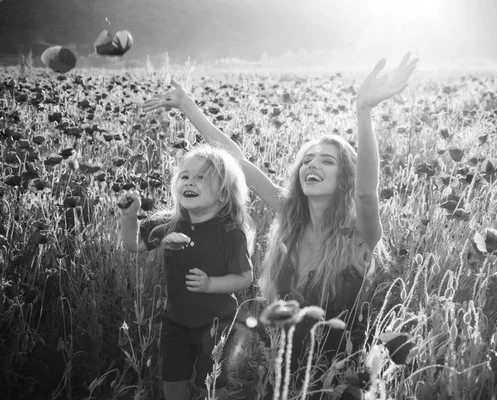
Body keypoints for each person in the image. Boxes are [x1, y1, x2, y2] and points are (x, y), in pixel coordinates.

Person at [143, 52, 418, 397]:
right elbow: (236, 161)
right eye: (307, 160)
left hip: (335, 379)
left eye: (327, 161)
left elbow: (366, 193)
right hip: (279, 370)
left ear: (345, 177)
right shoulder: (290, 215)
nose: (312, 165)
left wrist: (363, 110)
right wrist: (188, 106)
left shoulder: (359, 236)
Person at [118, 145, 254, 400]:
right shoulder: (168, 224)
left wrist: (210, 284)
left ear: (224, 195)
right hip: (176, 323)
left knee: (210, 386)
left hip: (217, 323)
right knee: (172, 382)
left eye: (201, 177)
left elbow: (245, 278)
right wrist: (128, 217)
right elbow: (132, 245)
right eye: (185, 176)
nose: (190, 182)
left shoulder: (230, 233)